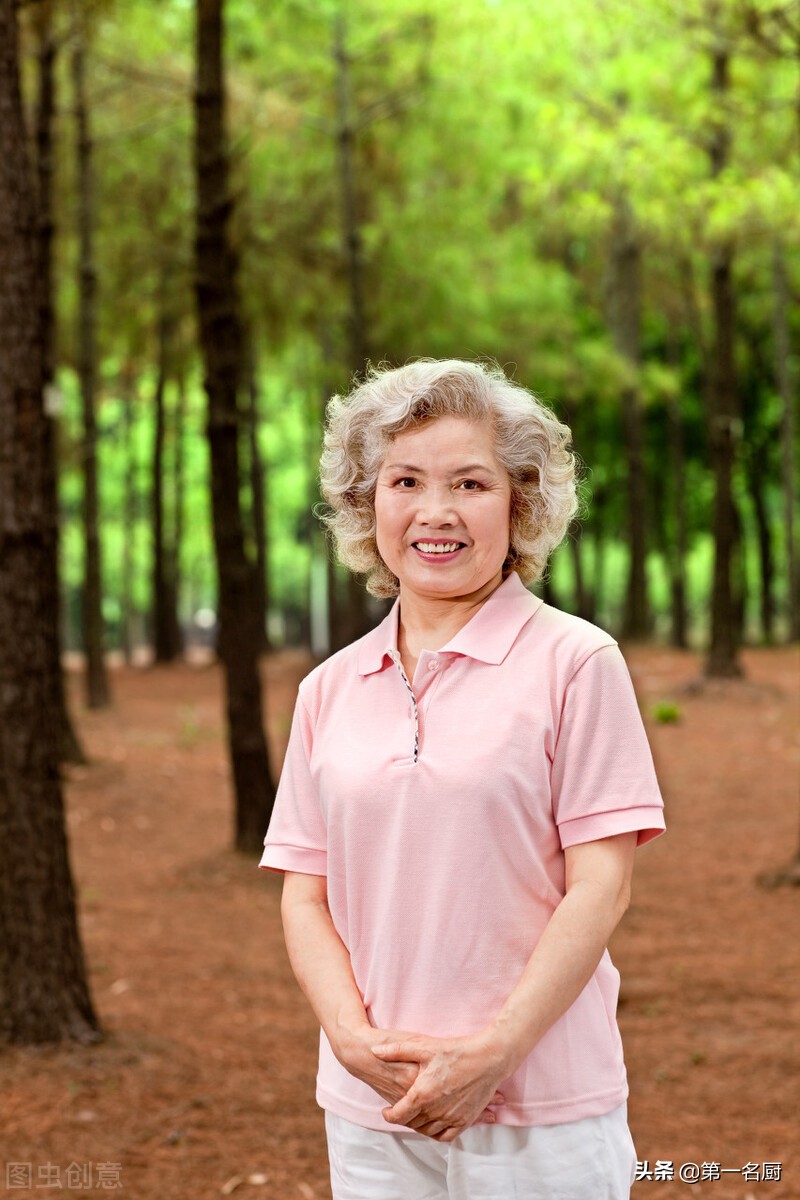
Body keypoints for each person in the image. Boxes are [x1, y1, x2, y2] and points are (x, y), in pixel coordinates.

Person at [260, 359, 665, 1200]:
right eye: (405, 480)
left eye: (470, 483)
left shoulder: (577, 664)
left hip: (543, 1111)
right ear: (368, 503)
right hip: (373, 1112)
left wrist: (493, 1057)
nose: (435, 512)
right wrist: (348, 1038)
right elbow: (305, 894)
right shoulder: (327, 689)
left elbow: (602, 887)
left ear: (519, 503)